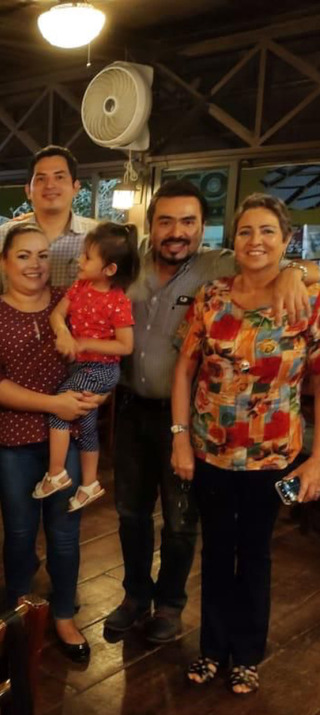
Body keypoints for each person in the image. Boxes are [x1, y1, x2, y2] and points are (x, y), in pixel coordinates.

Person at [107, 180, 315, 645]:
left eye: (188, 222)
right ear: (151, 224)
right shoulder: (128, 263)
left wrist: (294, 270)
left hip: (190, 418)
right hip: (132, 408)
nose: (176, 232)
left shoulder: (219, 265)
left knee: (181, 520)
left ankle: (169, 604)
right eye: (166, 221)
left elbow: (271, 262)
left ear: (204, 227)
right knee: (130, 513)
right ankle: (135, 596)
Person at [171, 193, 320, 694]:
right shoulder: (212, 296)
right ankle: (212, 649)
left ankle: (248, 654)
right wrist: (180, 440)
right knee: (215, 550)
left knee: (255, 553)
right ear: (233, 241)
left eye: (267, 231)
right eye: (246, 231)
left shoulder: (308, 300)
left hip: (273, 456)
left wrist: (318, 460)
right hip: (211, 449)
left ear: (286, 239)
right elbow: (184, 369)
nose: (256, 241)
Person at [0, 222, 102, 663]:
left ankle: (63, 615)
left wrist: (95, 392)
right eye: (23, 255)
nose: (35, 264)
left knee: (65, 532)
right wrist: (53, 404)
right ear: (3, 262)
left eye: (43, 255)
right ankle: (19, 612)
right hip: (15, 439)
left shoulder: (70, 301)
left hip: (71, 436)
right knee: (20, 532)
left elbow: (103, 351)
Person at [34, 223, 138, 510]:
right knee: (86, 424)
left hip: (101, 370)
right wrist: (63, 333)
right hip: (81, 367)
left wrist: (84, 343)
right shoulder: (80, 287)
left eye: (88, 257)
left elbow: (125, 346)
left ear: (110, 269)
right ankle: (90, 484)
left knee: (60, 407)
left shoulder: (118, 301)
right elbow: (57, 315)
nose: (80, 260)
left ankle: (56, 473)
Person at [0, 145, 97, 296]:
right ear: (28, 191)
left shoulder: (96, 236)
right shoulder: (4, 235)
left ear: (75, 187)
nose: (50, 185)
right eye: (41, 179)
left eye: (59, 177)